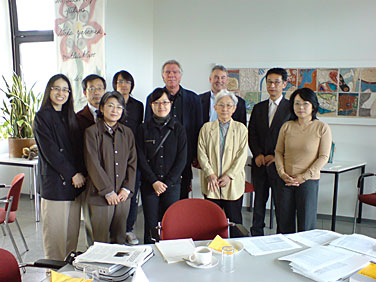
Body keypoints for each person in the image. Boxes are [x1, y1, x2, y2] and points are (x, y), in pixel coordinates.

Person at [33, 74, 85, 260]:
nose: (61, 93)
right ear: (49, 90)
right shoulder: (42, 117)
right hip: (56, 185)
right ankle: (53, 275)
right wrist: (73, 174)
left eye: (65, 89)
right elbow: (51, 152)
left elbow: (77, 150)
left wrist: (81, 174)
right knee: (55, 240)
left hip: (75, 186)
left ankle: (67, 276)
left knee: (71, 238)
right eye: (57, 88)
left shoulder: (69, 116)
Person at [275, 87, 332, 234]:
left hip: (308, 181)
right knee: (284, 223)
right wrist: (282, 173)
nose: (300, 107)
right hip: (286, 180)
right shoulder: (287, 126)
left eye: (305, 103)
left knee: (306, 225)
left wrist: (304, 176)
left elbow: (323, 156)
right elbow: (279, 152)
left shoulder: (322, 127)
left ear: (313, 105)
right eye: (297, 103)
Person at [84, 91, 137, 244]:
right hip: (100, 196)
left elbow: (132, 162)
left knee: (119, 238)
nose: (115, 110)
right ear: (102, 108)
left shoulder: (127, 133)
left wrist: (126, 188)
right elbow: (92, 163)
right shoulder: (91, 132)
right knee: (99, 241)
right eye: (110, 106)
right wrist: (107, 190)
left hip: (122, 196)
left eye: (119, 107)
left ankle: (118, 268)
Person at [145, 60, 203, 199]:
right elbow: (147, 127)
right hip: (159, 156)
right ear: (162, 76)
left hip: (185, 155)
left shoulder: (193, 98)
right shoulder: (152, 98)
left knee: (182, 192)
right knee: (158, 194)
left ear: (180, 76)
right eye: (167, 72)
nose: (171, 75)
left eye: (175, 72)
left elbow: (198, 128)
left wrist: (197, 154)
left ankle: (178, 219)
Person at [137, 88, 187, 243]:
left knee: (170, 223)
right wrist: (154, 181)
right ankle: (150, 254)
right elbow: (140, 158)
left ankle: (169, 253)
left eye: (165, 102)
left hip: (171, 186)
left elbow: (182, 158)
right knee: (151, 224)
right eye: (157, 103)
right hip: (149, 185)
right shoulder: (143, 129)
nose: (161, 106)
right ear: (151, 105)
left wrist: (167, 183)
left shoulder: (178, 129)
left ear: (171, 104)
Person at [197, 89, 248, 236]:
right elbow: (202, 153)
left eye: (228, 105)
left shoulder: (241, 129)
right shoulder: (206, 128)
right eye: (221, 105)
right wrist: (210, 174)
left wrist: (229, 175)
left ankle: (237, 246)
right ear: (215, 107)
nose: (224, 109)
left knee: (235, 221)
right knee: (211, 220)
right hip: (211, 182)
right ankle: (212, 248)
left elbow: (241, 156)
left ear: (234, 108)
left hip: (232, 182)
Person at [248, 68, 291, 236]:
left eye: (276, 82)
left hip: (279, 165)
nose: (272, 86)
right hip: (259, 164)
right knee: (259, 202)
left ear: (284, 84)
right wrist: (257, 154)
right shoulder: (258, 108)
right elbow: (252, 134)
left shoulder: (290, 108)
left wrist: (276, 156)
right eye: (269, 82)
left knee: (281, 204)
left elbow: (290, 138)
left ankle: (282, 236)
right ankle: (256, 234)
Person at [113, 70, 144, 245]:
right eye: (120, 82)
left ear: (131, 85)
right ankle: (115, 229)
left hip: (133, 156)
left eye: (127, 82)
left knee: (131, 193)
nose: (123, 85)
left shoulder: (138, 106)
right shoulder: (110, 102)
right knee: (114, 192)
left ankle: (128, 229)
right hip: (113, 156)